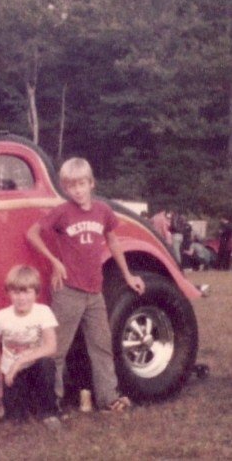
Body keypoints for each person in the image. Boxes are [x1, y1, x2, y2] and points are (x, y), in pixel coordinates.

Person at [26, 157, 145, 413]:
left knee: (102, 346)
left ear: (91, 183)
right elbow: (32, 234)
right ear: (65, 188)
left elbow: (113, 243)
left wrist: (128, 275)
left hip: (95, 293)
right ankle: (51, 401)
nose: (77, 190)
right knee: (56, 349)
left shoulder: (103, 211)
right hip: (68, 291)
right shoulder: (62, 211)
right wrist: (54, 261)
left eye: (81, 184)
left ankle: (108, 398)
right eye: (71, 186)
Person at [0, 265, 61, 430]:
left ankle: (49, 413)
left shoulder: (43, 312)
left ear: (36, 293)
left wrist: (19, 362)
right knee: (13, 419)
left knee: (46, 363)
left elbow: (51, 346)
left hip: (34, 369)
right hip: (12, 375)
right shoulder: (1, 317)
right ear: (8, 293)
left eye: (27, 292)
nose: (21, 298)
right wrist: (1, 382)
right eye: (16, 292)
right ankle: (18, 404)